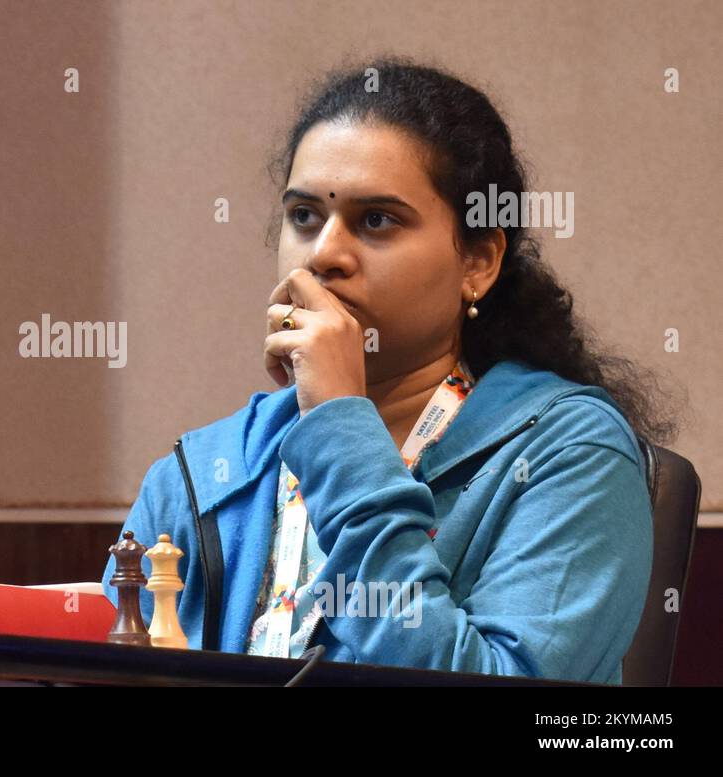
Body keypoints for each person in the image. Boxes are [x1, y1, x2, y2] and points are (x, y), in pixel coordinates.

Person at [100, 57, 679, 684]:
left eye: (376, 220)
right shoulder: (199, 474)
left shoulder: (572, 452)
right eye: (303, 217)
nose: (324, 254)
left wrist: (336, 426)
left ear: (478, 261)